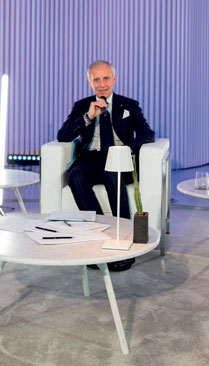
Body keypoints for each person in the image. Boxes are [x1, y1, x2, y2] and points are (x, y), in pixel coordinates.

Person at [57, 60, 155, 271]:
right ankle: (98, 238)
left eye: (106, 78)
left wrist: (127, 149)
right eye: (96, 79)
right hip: (91, 158)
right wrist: (88, 116)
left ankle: (125, 245)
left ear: (114, 79)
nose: (102, 84)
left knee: (113, 173)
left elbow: (147, 133)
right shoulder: (82, 105)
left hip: (119, 157)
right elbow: (63, 135)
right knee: (75, 176)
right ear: (89, 81)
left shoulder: (129, 105)